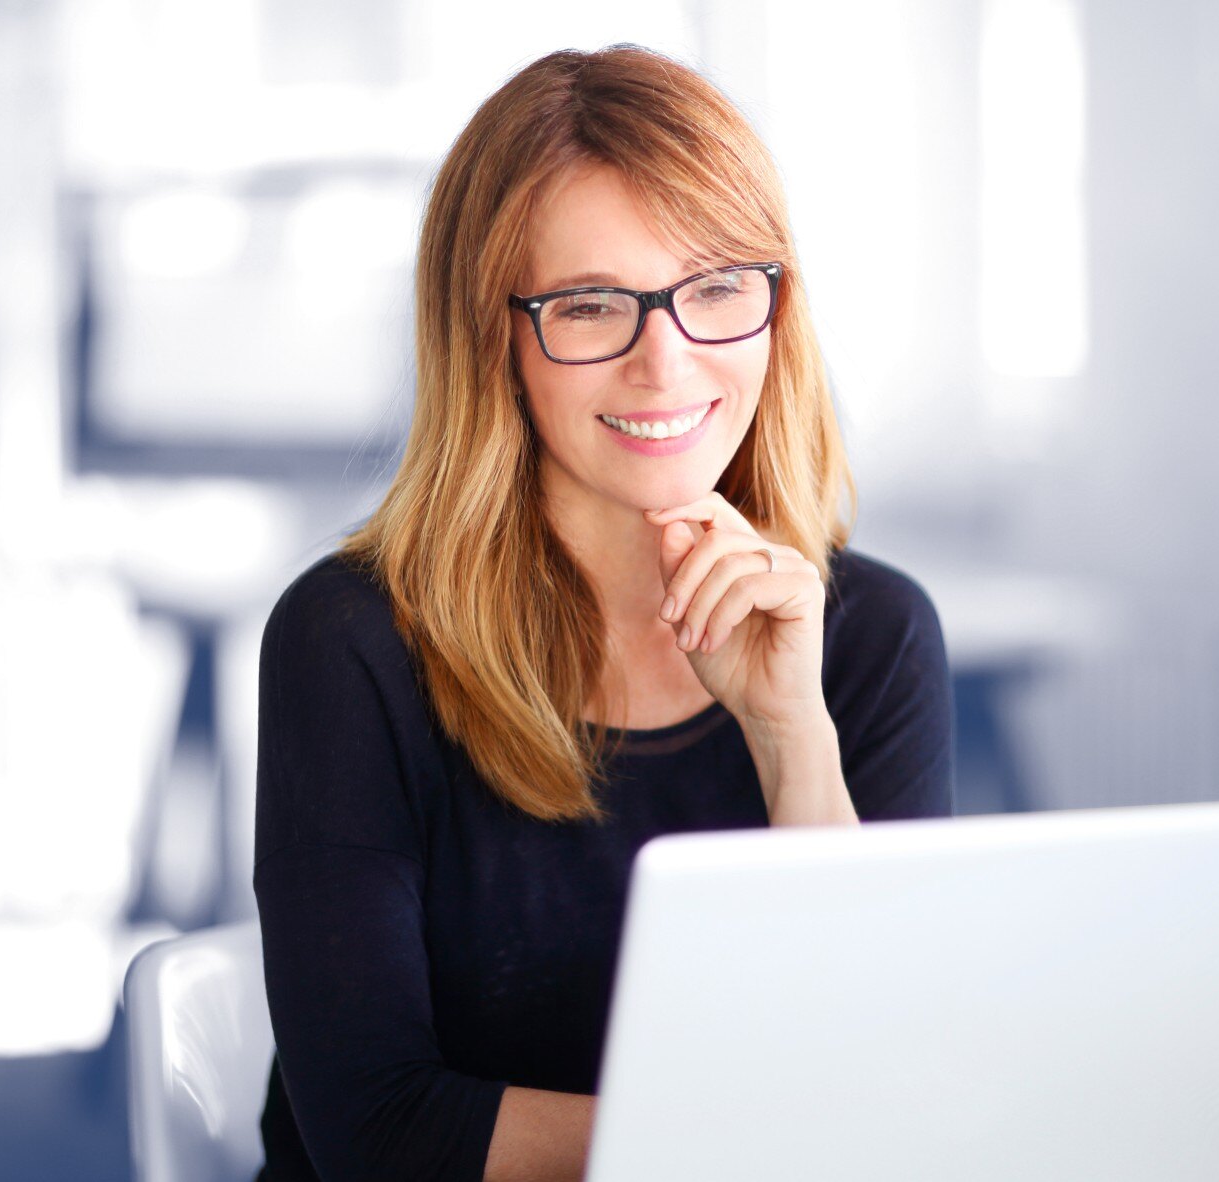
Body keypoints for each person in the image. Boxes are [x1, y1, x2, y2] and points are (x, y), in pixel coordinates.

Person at [252, 44, 956, 1182]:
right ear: (496, 341)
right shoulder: (351, 643)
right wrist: (745, 1146)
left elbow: (887, 1081)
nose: (666, 364)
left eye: (718, 288)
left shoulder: (869, 634)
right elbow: (378, 1134)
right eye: (590, 306)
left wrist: (792, 741)